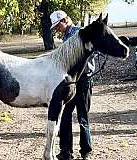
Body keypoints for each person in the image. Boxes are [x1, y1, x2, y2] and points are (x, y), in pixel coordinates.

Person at [50, 10, 95, 160]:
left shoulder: (81, 32)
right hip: (70, 81)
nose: (57, 29)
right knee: (65, 116)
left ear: (65, 20)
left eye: (57, 26)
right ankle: (66, 151)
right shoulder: (66, 37)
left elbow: (91, 53)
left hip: (83, 80)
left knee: (83, 116)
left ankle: (86, 151)